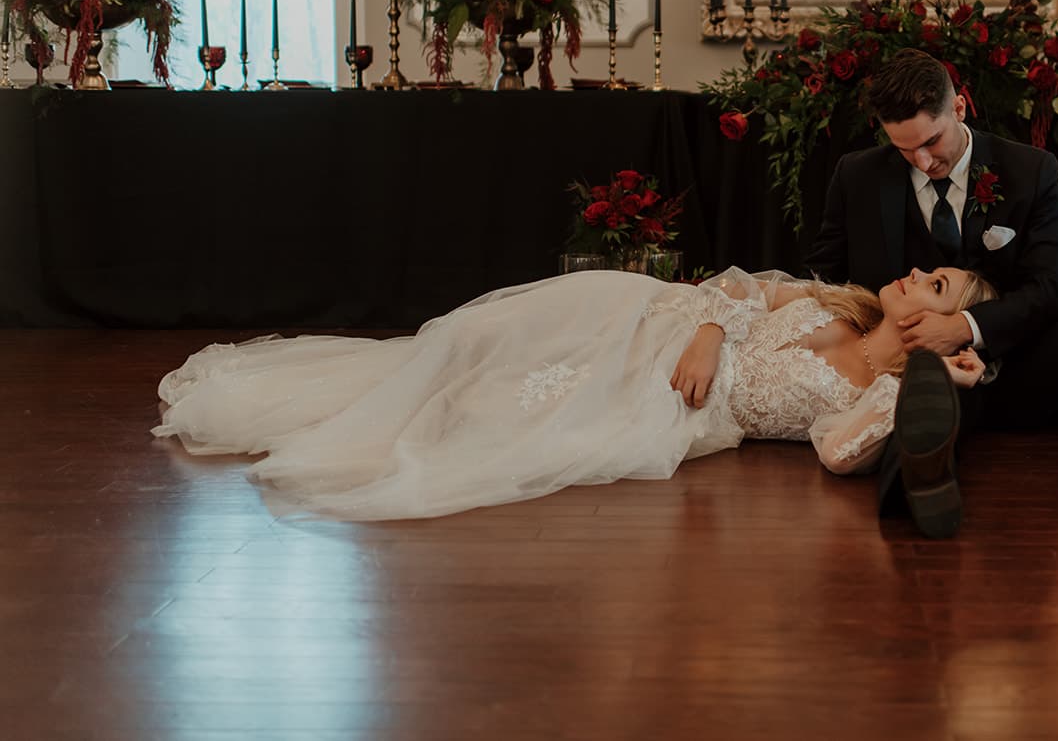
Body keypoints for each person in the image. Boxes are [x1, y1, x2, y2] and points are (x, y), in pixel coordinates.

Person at [153, 264, 995, 521]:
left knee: (494, 413)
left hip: (669, 408)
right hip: (657, 323)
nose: (916, 272)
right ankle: (400, 386)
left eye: (938, 283)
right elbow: (733, 286)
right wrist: (710, 329)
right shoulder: (832, 299)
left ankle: (377, 420)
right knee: (471, 339)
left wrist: (926, 386)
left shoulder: (863, 392)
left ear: (945, 324)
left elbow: (838, 455)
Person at [806, 48, 1058, 538]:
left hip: (1020, 366)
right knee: (922, 394)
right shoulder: (858, 176)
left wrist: (965, 328)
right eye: (903, 148)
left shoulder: (1032, 170)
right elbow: (826, 279)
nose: (921, 161)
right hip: (912, 368)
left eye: (932, 142)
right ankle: (918, 487)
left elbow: (1054, 285)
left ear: (959, 108)